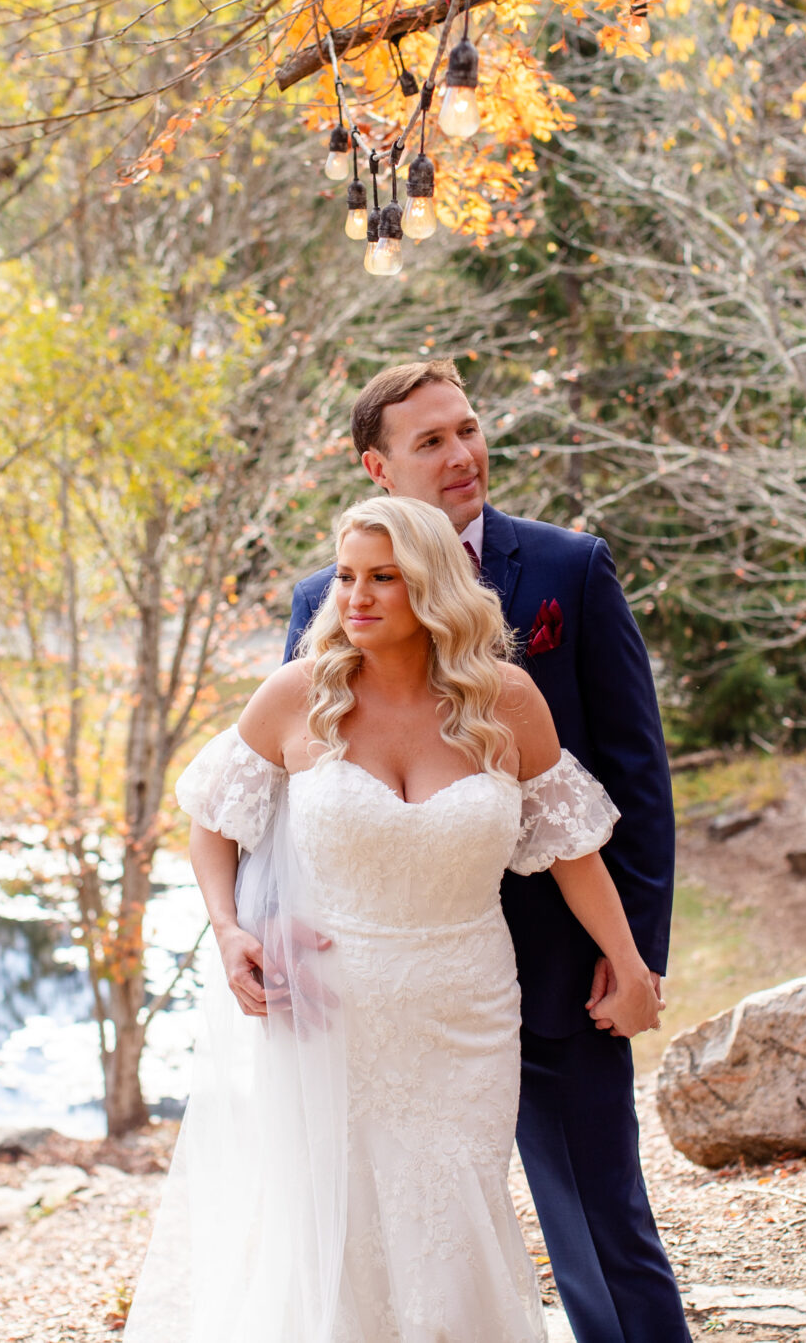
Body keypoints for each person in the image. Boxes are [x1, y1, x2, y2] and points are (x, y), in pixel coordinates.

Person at [126, 495, 654, 1341]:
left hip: (467, 1011)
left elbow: (572, 848)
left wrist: (628, 963)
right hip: (331, 1011)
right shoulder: (298, 696)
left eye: (384, 578)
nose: (356, 597)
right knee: (336, 1234)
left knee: (455, 1222)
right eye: (345, 576)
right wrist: (229, 931)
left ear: (435, 588)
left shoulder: (506, 702)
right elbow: (213, 822)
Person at [284, 361, 684, 1343]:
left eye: (467, 428)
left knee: (601, 1230)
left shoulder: (566, 571)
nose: (463, 454)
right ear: (375, 466)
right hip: (377, 993)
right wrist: (265, 930)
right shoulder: (323, 601)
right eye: (431, 441)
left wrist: (633, 956)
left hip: (557, 973)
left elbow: (633, 783)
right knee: (387, 1242)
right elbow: (285, 790)